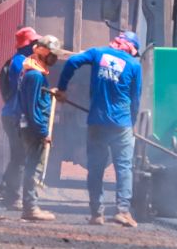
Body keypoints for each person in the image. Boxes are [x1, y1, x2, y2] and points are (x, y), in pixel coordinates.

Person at [56, 31, 142, 227]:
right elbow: (135, 98)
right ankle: (122, 211)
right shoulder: (134, 64)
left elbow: (71, 62)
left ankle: (97, 213)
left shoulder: (97, 53)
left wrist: (62, 88)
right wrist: (133, 122)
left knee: (95, 168)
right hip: (121, 124)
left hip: (97, 121)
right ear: (132, 48)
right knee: (124, 167)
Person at [0, 27, 40, 211]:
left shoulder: (16, 61)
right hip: (16, 116)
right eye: (34, 42)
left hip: (11, 114)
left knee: (18, 156)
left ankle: (5, 192)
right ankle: (12, 197)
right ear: (28, 44)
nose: (37, 45)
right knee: (21, 157)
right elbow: (26, 90)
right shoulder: (23, 63)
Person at [17, 35, 61, 222]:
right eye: (52, 54)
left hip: (33, 127)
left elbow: (35, 99)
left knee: (33, 166)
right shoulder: (35, 75)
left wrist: (49, 93)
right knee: (34, 167)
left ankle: (30, 205)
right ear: (43, 53)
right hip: (35, 128)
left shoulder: (35, 72)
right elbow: (32, 106)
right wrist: (43, 132)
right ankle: (31, 207)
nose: (55, 58)